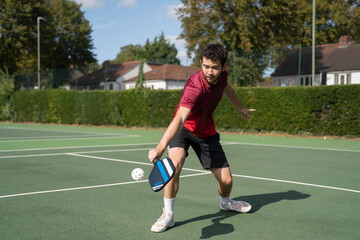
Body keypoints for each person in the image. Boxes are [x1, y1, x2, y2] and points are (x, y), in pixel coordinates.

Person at [148, 43, 253, 233]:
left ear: (223, 68)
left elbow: (227, 88)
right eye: (206, 66)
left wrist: (240, 107)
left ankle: (225, 203)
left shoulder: (222, 78)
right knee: (174, 165)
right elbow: (180, 117)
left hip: (206, 133)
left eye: (214, 67)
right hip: (184, 130)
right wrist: (161, 146)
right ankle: (168, 215)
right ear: (200, 63)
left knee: (227, 181)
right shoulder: (194, 85)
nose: (210, 72)